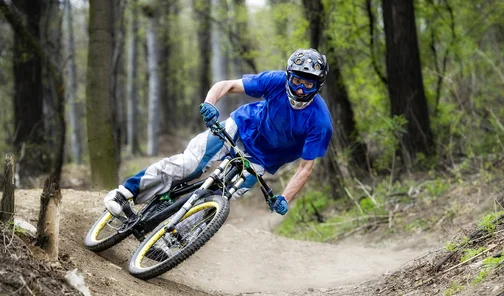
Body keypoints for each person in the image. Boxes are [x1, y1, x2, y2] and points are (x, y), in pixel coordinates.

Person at [104, 48, 333, 217]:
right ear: (288, 76)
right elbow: (228, 85)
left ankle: (176, 238)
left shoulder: (320, 122)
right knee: (190, 165)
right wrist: (210, 103)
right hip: (240, 127)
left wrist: (285, 198)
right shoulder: (275, 81)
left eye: (308, 84)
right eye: (296, 81)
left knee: (221, 199)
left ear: (318, 85)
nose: (300, 89)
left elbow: (305, 169)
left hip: (262, 159)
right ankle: (124, 193)